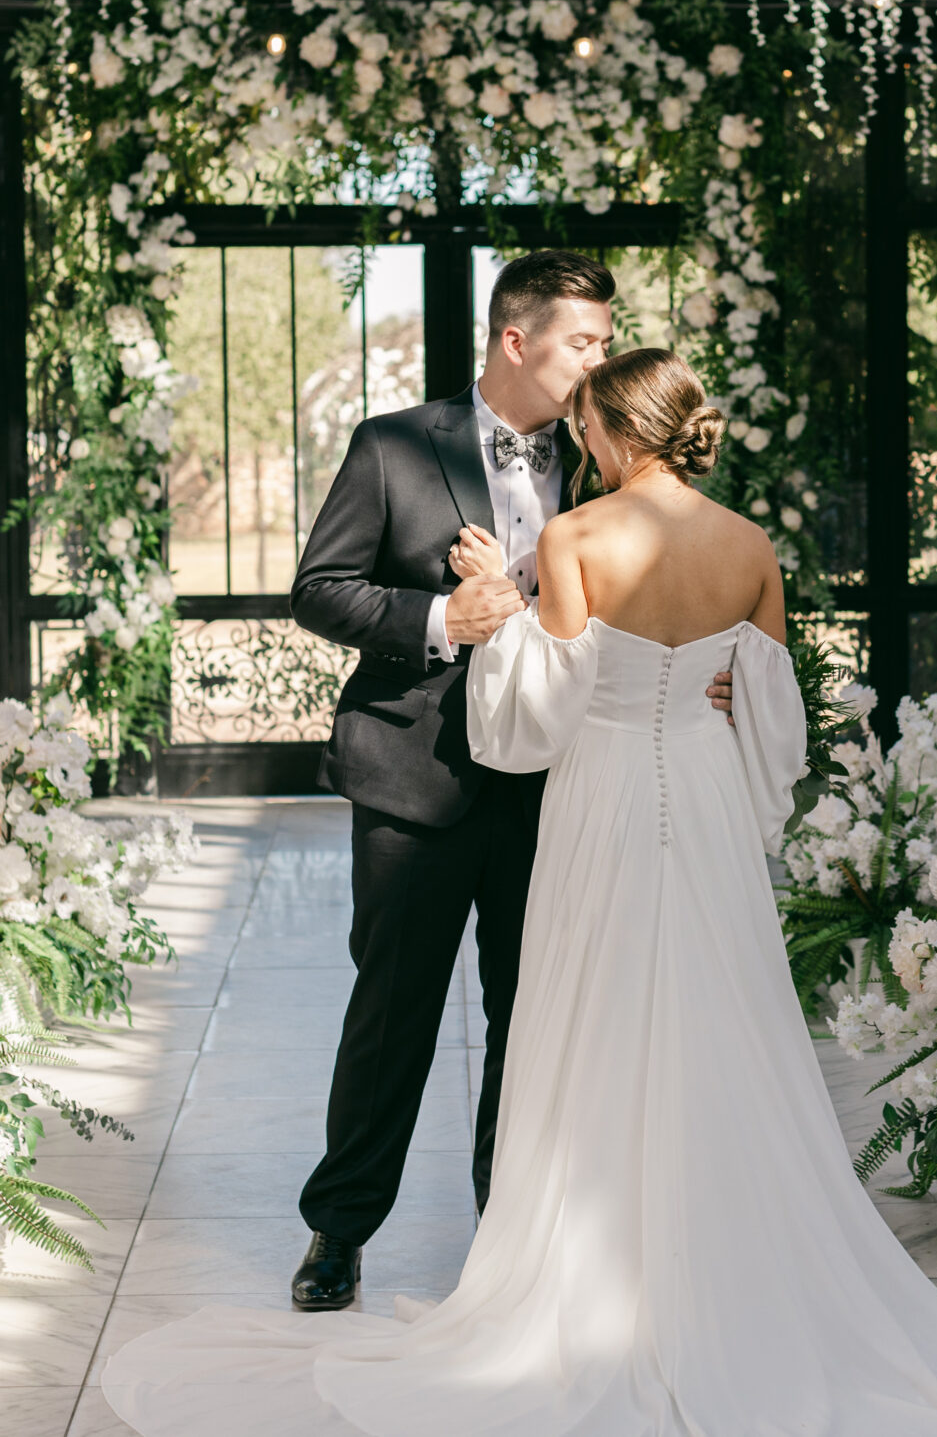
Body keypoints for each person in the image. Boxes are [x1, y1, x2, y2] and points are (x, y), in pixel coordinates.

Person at [107, 348, 937, 1437]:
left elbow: (536, 716)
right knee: (718, 1017)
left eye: (585, 429)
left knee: (587, 1018)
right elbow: (774, 721)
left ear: (614, 433)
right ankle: (719, 1263)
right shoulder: (748, 544)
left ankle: (581, 1266)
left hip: (605, 794)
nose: (575, 446)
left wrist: (494, 600)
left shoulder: (573, 538)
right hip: (707, 796)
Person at [283, 251, 732, 1312]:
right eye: (584, 341)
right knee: (394, 1014)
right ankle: (339, 1231)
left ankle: (511, 1240)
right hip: (414, 777)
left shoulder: (607, 455)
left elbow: (668, 575)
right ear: (515, 341)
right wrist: (445, 619)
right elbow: (319, 589)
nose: (601, 359)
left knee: (540, 1017)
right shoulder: (392, 445)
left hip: (559, 781)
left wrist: (705, 680)